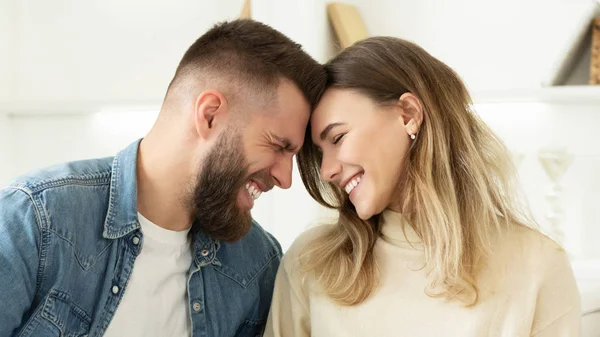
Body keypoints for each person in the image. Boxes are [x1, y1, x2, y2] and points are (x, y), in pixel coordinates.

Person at [0, 19, 326, 336]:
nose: (286, 178)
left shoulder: (258, 264)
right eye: (278, 146)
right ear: (210, 115)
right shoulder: (37, 221)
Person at [265, 36, 581, 337]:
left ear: (409, 115)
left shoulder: (537, 266)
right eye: (320, 153)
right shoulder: (309, 264)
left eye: (338, 138)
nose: (327, 170)